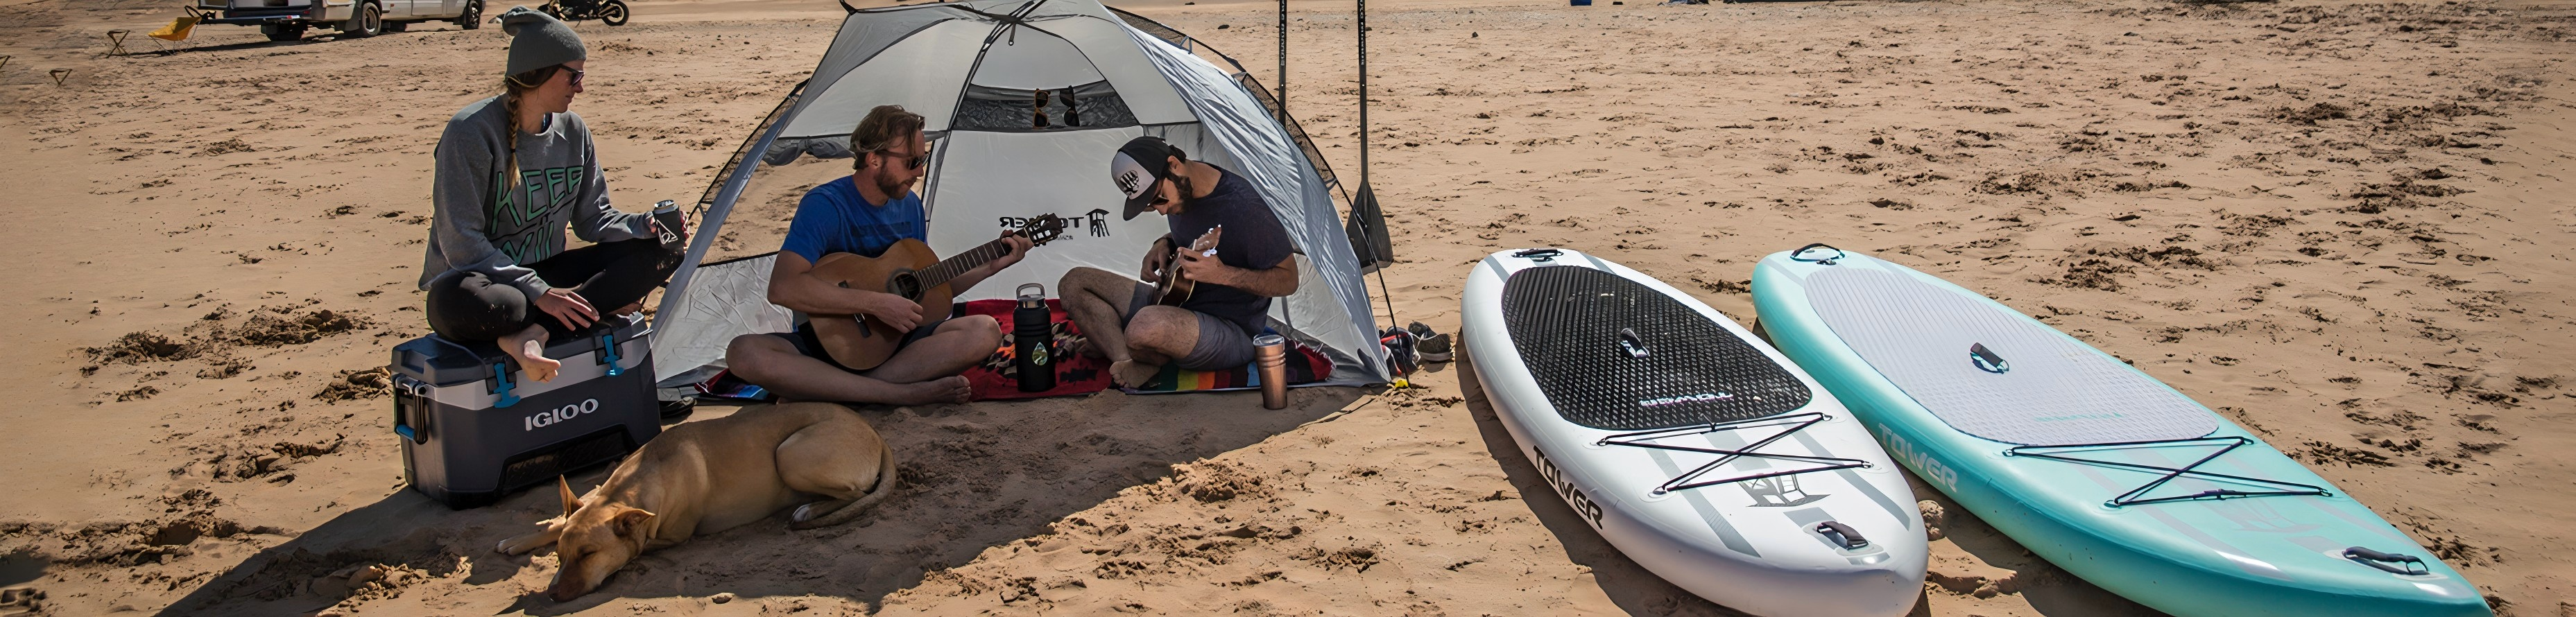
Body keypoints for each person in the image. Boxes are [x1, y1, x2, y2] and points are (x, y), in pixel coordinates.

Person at [422, 8, 680, 383]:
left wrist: (646, 226)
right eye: (574, 76)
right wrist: (542, 293)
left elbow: (594, 219)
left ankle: (536, 334)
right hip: (475, 283)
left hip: (545, 271)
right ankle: (581, 308)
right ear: (538, 73)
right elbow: (460, 245)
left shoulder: (574, 131)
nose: (581, 87)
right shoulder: (470, 133)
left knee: (663, 253)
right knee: (504, 307)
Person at [721, 105, 1032, 406]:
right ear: (873, 160)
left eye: (923, 160)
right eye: (912, 162)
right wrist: (876, 304)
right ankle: (897, 394)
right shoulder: (825, 205)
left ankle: (833, 390)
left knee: (984, 330)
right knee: (743, 352)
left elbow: (926, 288)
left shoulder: (910, 205)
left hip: (893, 346)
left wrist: (990, 265)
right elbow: (784, 287)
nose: (920, 172)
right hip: (827, 345)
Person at [1058, 137, 1299, 388]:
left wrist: (1222, 275)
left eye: (1159, 199)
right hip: (1173, 300)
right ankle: (1128, 358)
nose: (1161, 211)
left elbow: (1289, 280)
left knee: (1143, 328)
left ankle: (1126, 345)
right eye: (1151, 205)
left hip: (1230, 330)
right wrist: (1163, 243)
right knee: (1074, 283)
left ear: (1173, 165)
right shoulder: (1183, 191)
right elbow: (1195, 232)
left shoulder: (1247, 208)